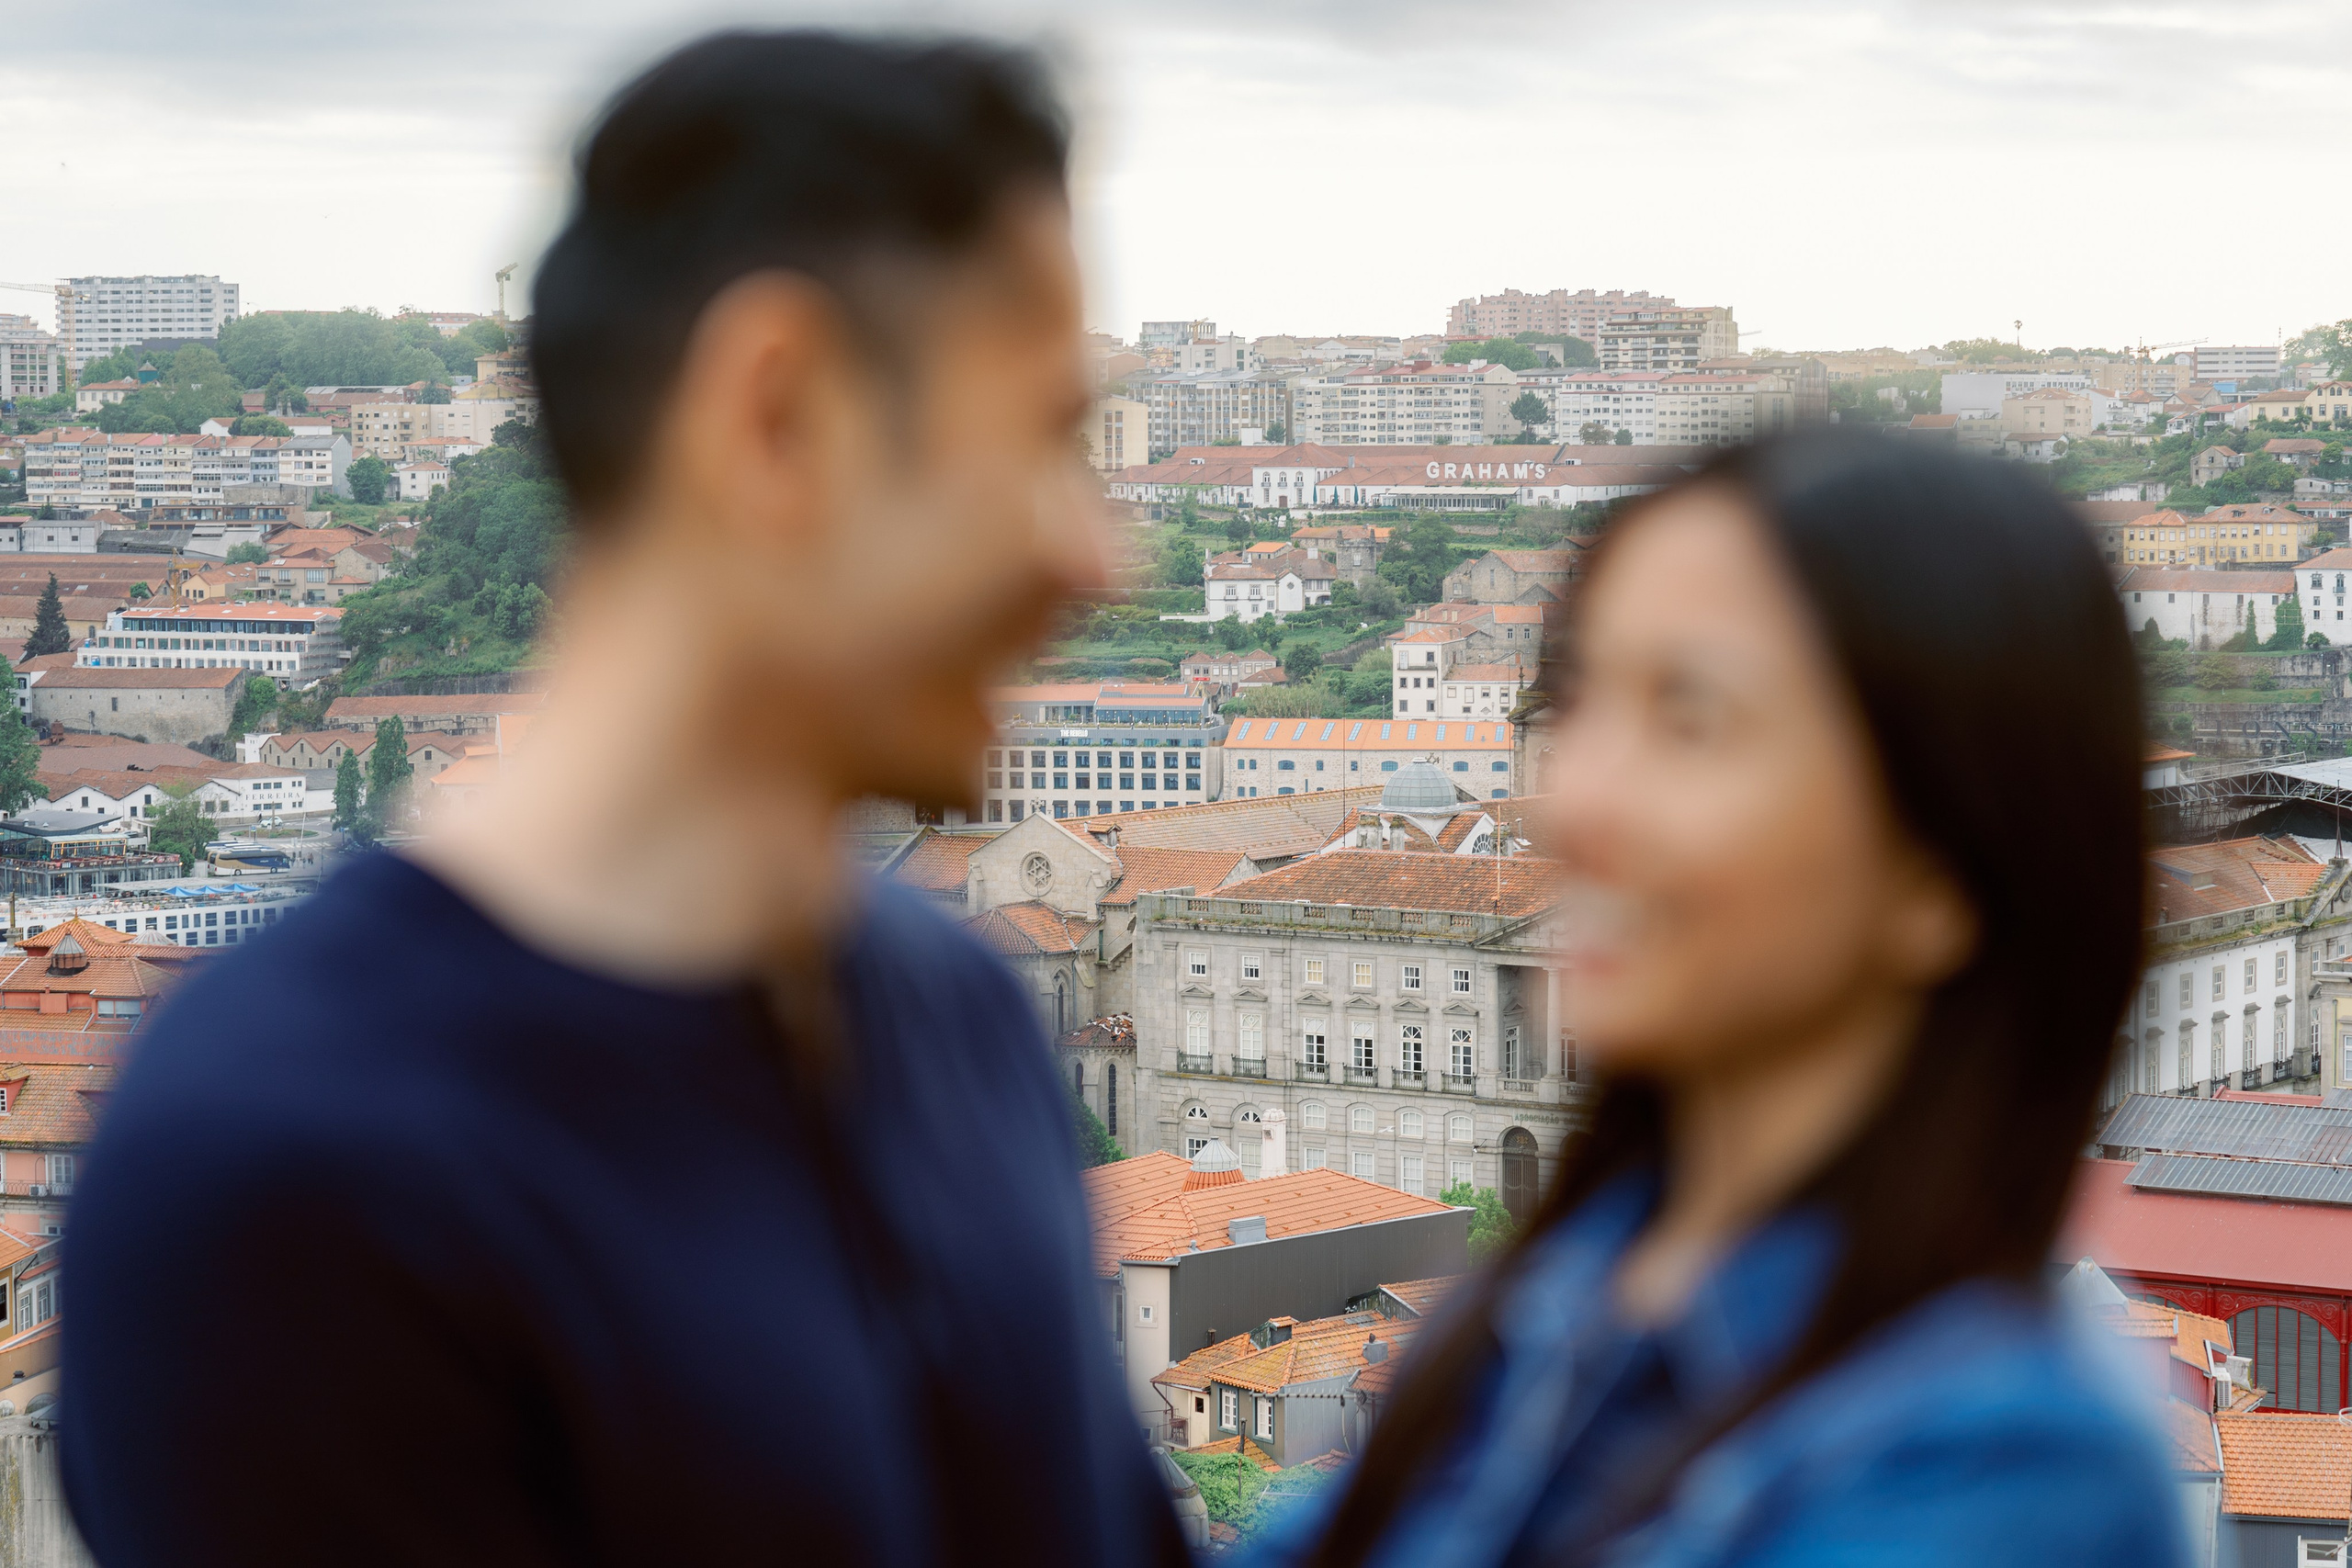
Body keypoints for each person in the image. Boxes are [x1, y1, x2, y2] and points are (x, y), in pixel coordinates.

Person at [62, 31, 1183, 1567]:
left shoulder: (959, 1011)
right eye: (1047, 439)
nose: (1097, 555)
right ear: (778, 413)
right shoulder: (281, 1170)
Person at [1270, 433, 2179, 1568]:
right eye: (1579, 705)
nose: (1574, 801)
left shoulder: (2005, 1460)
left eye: (1690, 721)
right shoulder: (1546, 1314)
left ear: (1943, 869)